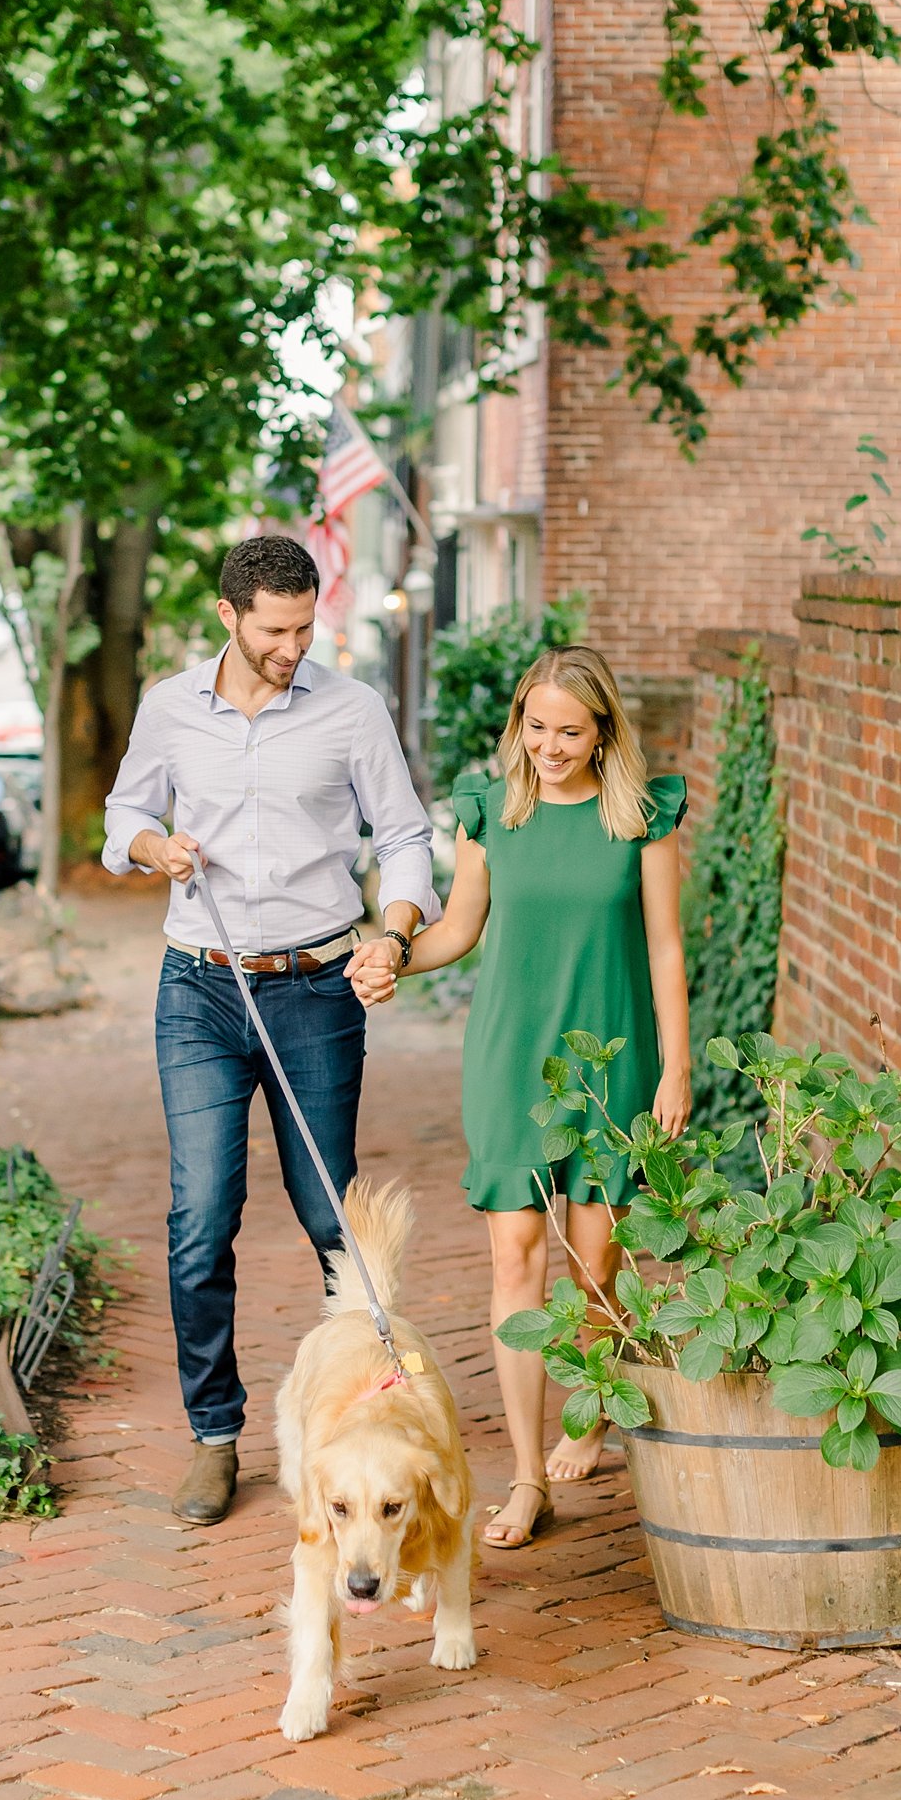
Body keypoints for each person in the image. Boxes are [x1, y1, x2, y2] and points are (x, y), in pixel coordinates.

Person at [103, 535, 437, 1527]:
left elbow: (406, 836)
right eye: (276, 630)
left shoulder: (351, 710)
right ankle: (214, 1434)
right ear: (230, 618)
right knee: (201, 1217)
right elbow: (122, 819)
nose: (295, 646)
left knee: (332, 1215)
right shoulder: (170, 708)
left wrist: (397, 928)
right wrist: (156, 843)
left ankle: (382, 1405)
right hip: (198, 988)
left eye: (306, 627)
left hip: (315, 987)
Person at [348, 645, 689, 1547]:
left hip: (614, 1060)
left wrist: (677, 1068)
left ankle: (597, 1405)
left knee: (598, 1265)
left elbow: (664, 949)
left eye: (569, 731)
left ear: (603, 730)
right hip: (510, 1060)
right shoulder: (491, 813)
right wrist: (390, 954)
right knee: (516, 1260)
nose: (549, 745)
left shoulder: (643, 821)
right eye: (535, 727)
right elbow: (458, 929)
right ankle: (530, 1475)